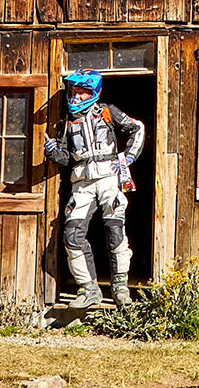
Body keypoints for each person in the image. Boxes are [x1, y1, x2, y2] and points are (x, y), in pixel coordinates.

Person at [44, 70, 145, 309]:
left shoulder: (107, 111)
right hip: (82, 183)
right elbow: (66, 159)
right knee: (72, 235)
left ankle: (120, 288)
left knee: (115, 232)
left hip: (110, 179)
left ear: (93, 93)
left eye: (81, 92)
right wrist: (53, 152)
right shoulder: (66, 123)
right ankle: (88, 290)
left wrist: (128, 157)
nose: (75, 97)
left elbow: (137, 128)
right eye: (73, 92)